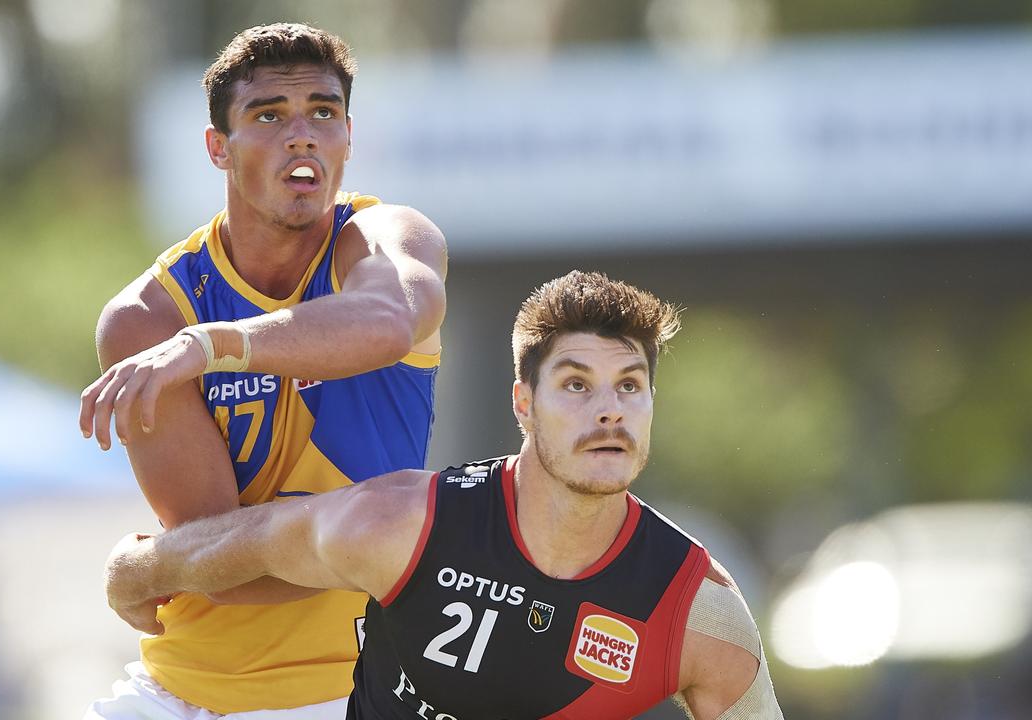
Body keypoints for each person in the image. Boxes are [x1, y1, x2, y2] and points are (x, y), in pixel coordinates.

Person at [103, 271, 784, 719]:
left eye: (629, 387)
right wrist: (137, 569)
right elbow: (247, 539)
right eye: (576, 385)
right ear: (524, 404)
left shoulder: (698, 613)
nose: (609, 411)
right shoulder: (405, 525)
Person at [78, 23, 447, 720]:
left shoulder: (390, 239)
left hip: (352, 694)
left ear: (346, 139)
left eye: (324, 113)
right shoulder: (147, 320)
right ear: (219, 147)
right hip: (179, 687)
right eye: (269, 115)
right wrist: (370, 531)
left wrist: (210, 346)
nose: (302, 134)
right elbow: (224, 569)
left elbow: (388, 322)